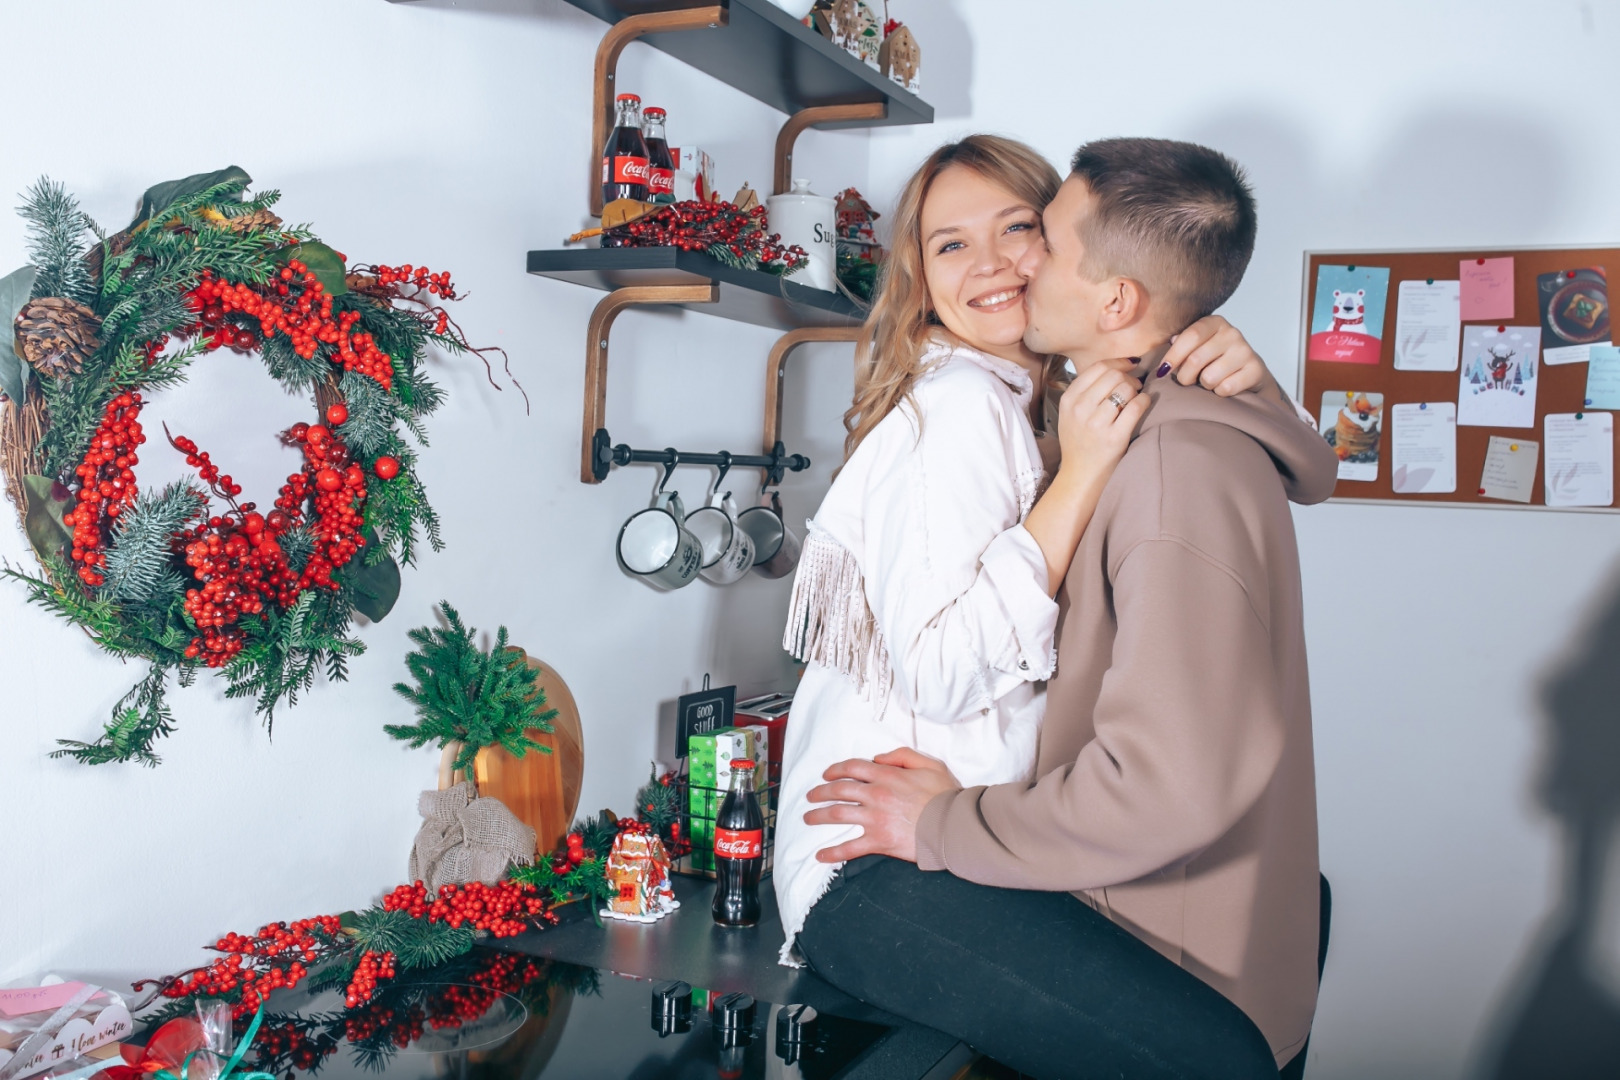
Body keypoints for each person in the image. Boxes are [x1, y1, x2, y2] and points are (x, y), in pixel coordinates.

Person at [772, 135, 1323, 1076]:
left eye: (1025, 232)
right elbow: (943, 674)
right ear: (919, 274)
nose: (997, 266)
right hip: (876, 852)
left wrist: (1240, 367)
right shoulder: (961, 414)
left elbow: (1304, 468)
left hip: (957, 832)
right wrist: (1084, 480)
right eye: (950, 245)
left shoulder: (1067, 409)